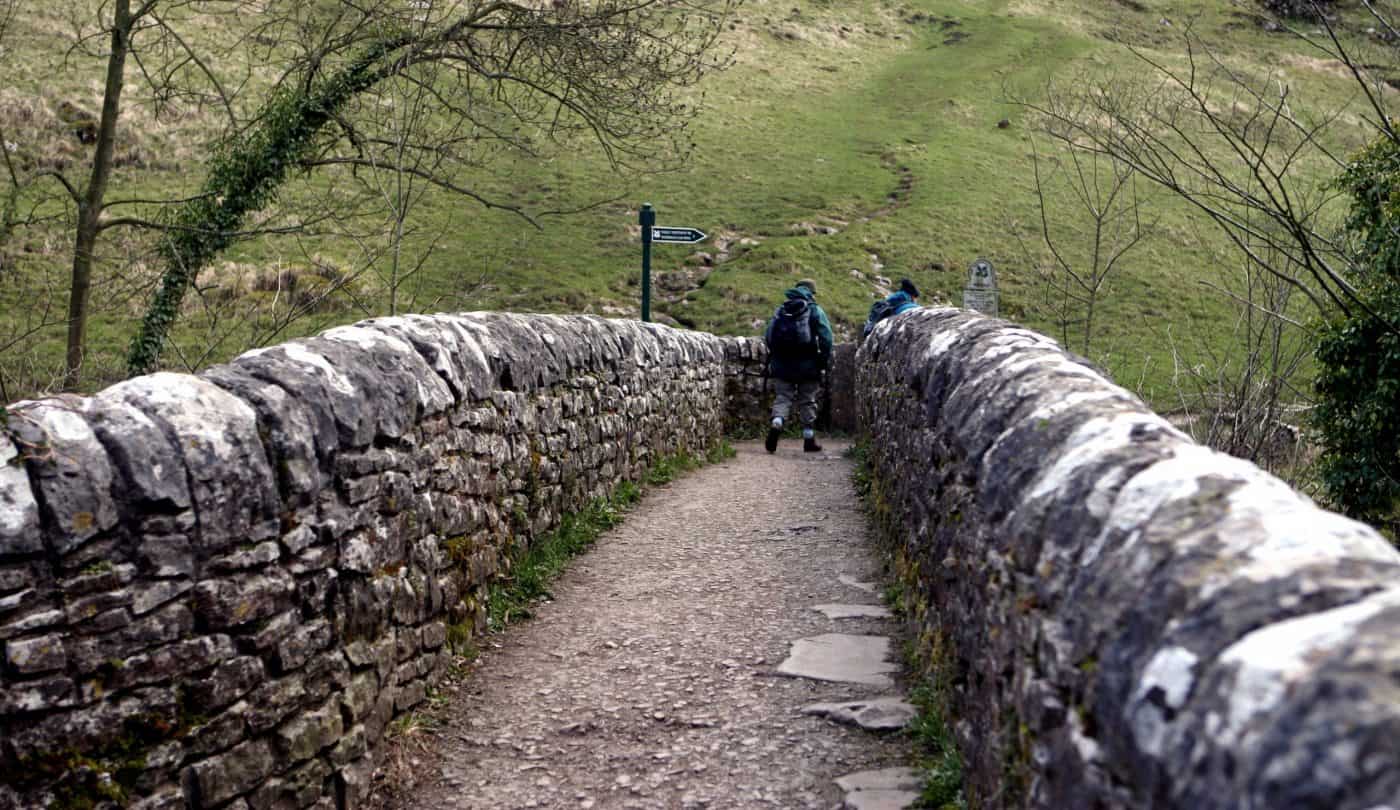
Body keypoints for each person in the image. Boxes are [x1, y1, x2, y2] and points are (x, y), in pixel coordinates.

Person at [763, 278, 833, 454]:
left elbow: (768, 336)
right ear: (811, 293)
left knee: (782, 397)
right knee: (807, 400)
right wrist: (822, 360)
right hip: (808, 364)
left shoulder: (782, 310)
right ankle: (809, 439)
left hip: (782, 364)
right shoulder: (815, 310)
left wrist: (777, 357)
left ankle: (777, 423)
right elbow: (827, 338)